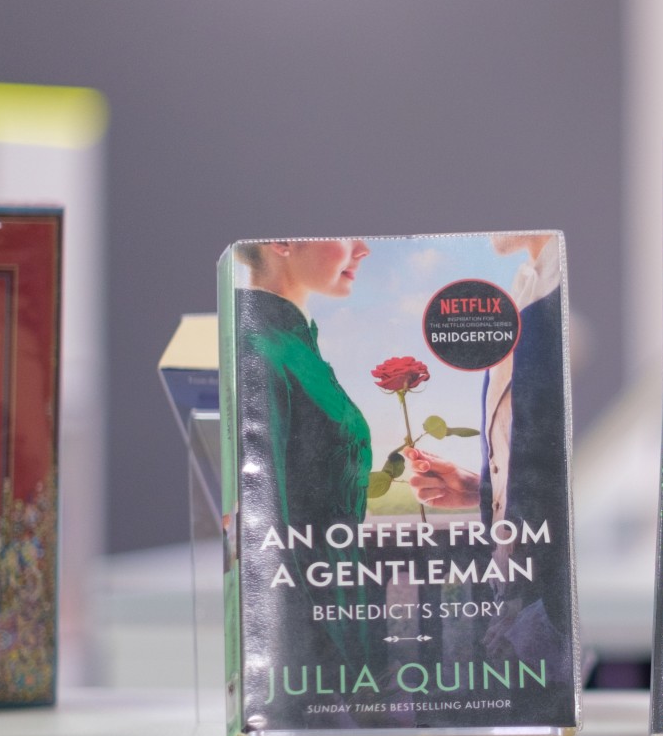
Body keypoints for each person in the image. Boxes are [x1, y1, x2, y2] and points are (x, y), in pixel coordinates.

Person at [403, 234, 570, 664]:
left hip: (542, 603)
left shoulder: (555, 293)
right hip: (514, 591)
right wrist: (482, 490)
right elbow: (533, 449)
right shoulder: (524, 287)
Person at [233, 239, 376, 678]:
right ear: (282, 244)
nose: (363, 249)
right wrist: (326, 662)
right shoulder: (261, 347)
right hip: (311, 648)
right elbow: (265, 527)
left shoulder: (296, 343)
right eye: (345, 236)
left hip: (339, 621)